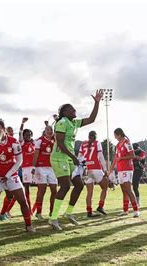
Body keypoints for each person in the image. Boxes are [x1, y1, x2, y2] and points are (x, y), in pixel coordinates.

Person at [48, 90, 102, 230]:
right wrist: (74, 157)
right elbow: (59, 143)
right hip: (59, 157)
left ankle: (69, 213)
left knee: (79, 185)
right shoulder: (62, 122)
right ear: (64, 112)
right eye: (71, 109)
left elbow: (91, 119)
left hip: (69, 158)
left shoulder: (74, 122)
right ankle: (53, 218)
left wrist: (97, 103)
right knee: (65, 186)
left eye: (74, 108)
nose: (74, 110)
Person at [0, 119, 34, 234]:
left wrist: (8, 175)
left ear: (3, 129)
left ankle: (29, 226)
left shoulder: (13, 141)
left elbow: (19, 161)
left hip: (11, 174)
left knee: (22, 201)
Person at [74, 131, 109, 217]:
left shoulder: (83, 144)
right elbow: (100, 157)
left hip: (86, 170)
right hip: (96, 168)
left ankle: (89, 211)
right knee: (105, 187)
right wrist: (105, 169)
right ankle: (100, 206)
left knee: (89, 192)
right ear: (95, 136)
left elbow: (79, 158)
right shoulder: (97, 143)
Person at [108, 128, 140, 218]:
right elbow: (115, 158)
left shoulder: (127, 142)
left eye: (115, 135)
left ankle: (136, 210)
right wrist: (110, 169)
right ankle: (125, 210)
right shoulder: (118, 145)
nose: (114, 137)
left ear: (119, 134)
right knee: (124, 191)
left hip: (127, 169)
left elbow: (132, 155)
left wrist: (122, 158)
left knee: (129, 190)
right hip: (120, 170)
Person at [31, 124, 56, 220]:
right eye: (47, 130)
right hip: (41, 167)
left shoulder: (54, 141)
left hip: (52, 168)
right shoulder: (40, 140)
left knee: (54, 190)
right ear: (44, 131)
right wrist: (33, 166)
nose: (49, 131)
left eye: (51, 130)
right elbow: (36, 154)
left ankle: (52, 211)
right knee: (42, 190)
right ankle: (39, 212)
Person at [18, 118, 35, 214]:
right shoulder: (22, 143)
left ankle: (36, 210)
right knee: (26, 189)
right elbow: (20, 133)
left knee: (42, 188)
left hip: (35, 168)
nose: (28, 136)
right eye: (26, 135)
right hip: (26, 168)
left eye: (29, 134)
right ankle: (28, 208)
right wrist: (22, 123)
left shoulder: (33, 143)